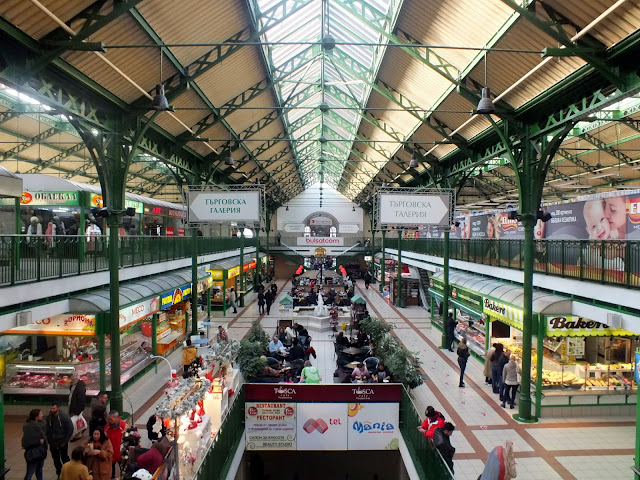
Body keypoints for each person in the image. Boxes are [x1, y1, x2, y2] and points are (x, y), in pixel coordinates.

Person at [46, 401, 74, 477]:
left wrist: (65, 441)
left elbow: (70, 429)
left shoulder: (64, 417)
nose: (52, 410)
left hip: (62, 442)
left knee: (64, 457)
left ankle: (68, 473)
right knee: (56, 459)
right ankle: (60, 473)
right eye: (51, 408)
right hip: (53, 443)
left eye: (53, 408)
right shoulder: (49, 417)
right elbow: (47, 429)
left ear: (58, 408)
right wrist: (49, 440)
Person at [23, 408, 47, 480]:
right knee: (30, 472)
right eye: (40, 414)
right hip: (33, 453)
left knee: (39, 471)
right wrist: (38, 442)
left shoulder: (41, 424)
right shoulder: (29, 427)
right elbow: (26, 441)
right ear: (36, 417)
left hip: (40, 451)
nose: (42, 415)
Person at [104, 411, 126, 479]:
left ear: (117, 418)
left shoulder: (124, 426)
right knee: (111, 472)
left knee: (123, 471)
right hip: (111, 454)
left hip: (121, 453)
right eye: (108, 419)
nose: (109, 421)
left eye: (111, 419)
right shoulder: (106, 427)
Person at [68, 373, 87, 439]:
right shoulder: (74, 385)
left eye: (72, 379)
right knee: (76, 421)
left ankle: (77, 434)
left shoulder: (80, 387)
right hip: (74, 407)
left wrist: (78, 411)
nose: (71, 380)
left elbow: (81, 400)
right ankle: (78, 433)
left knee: (75, 422)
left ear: (76, 379)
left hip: (76, 409)